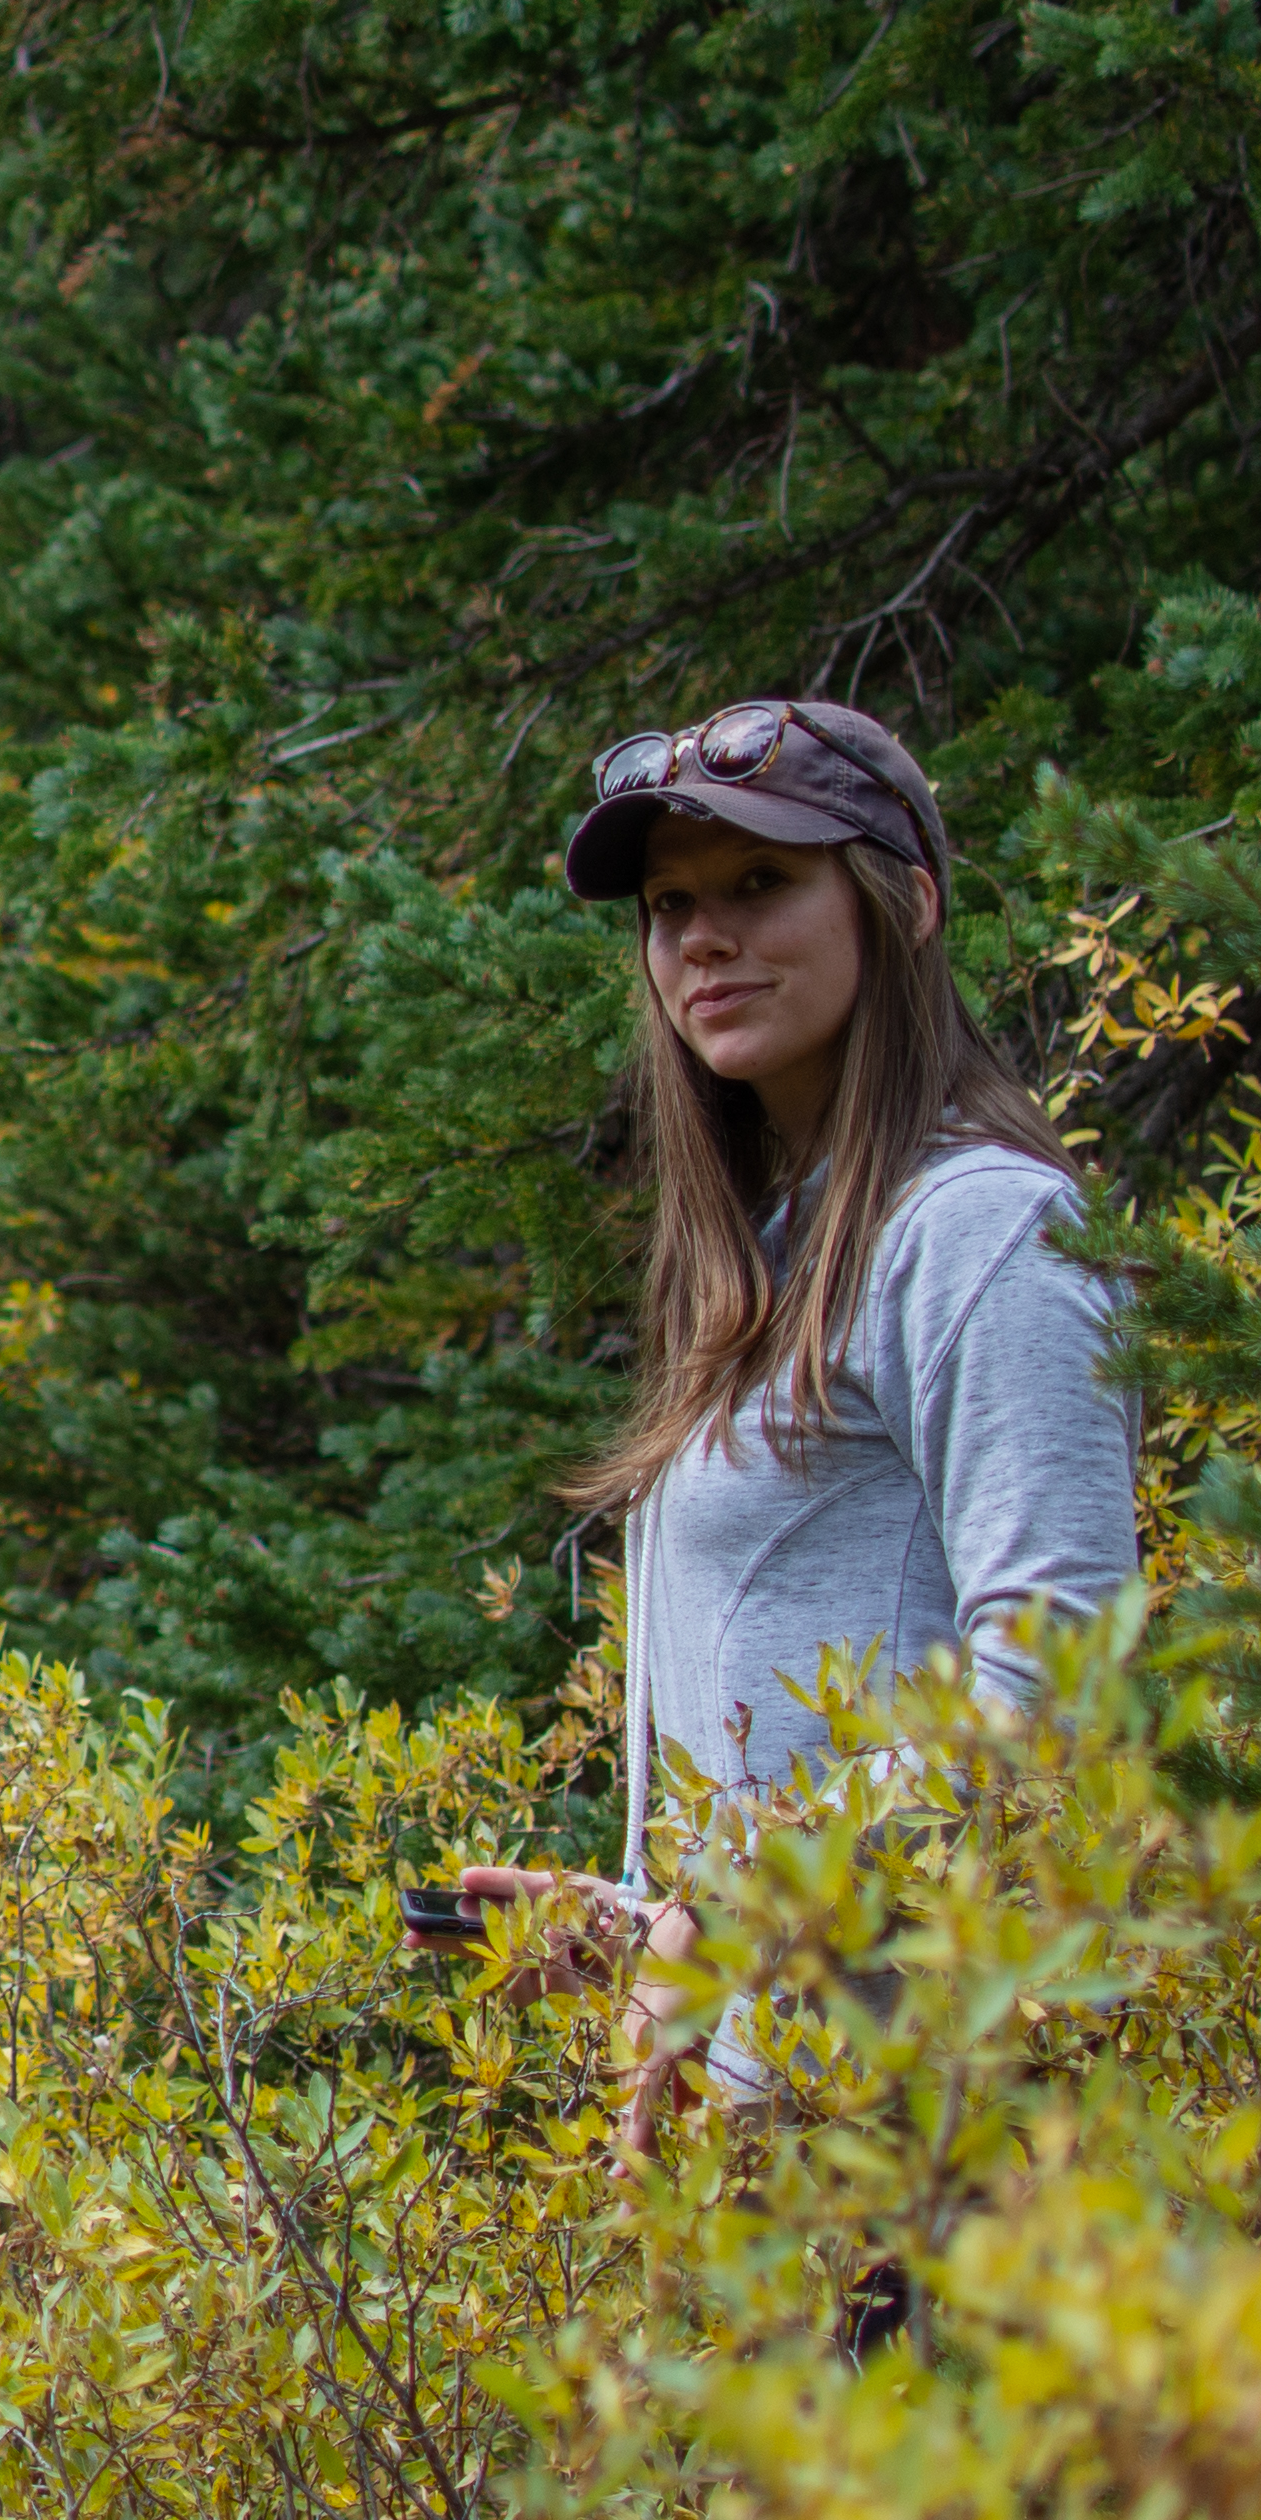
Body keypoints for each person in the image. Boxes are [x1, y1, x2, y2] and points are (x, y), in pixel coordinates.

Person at [437, 697, 1138, 2123]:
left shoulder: (984, 1230)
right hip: (776, 2154)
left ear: (904, 905)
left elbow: (1062, 1702)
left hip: (936, 2159)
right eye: (672, 904)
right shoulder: (774, 1250)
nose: (704, 938)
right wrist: (647, 1923)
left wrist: (744, 1885)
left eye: (763, 883)